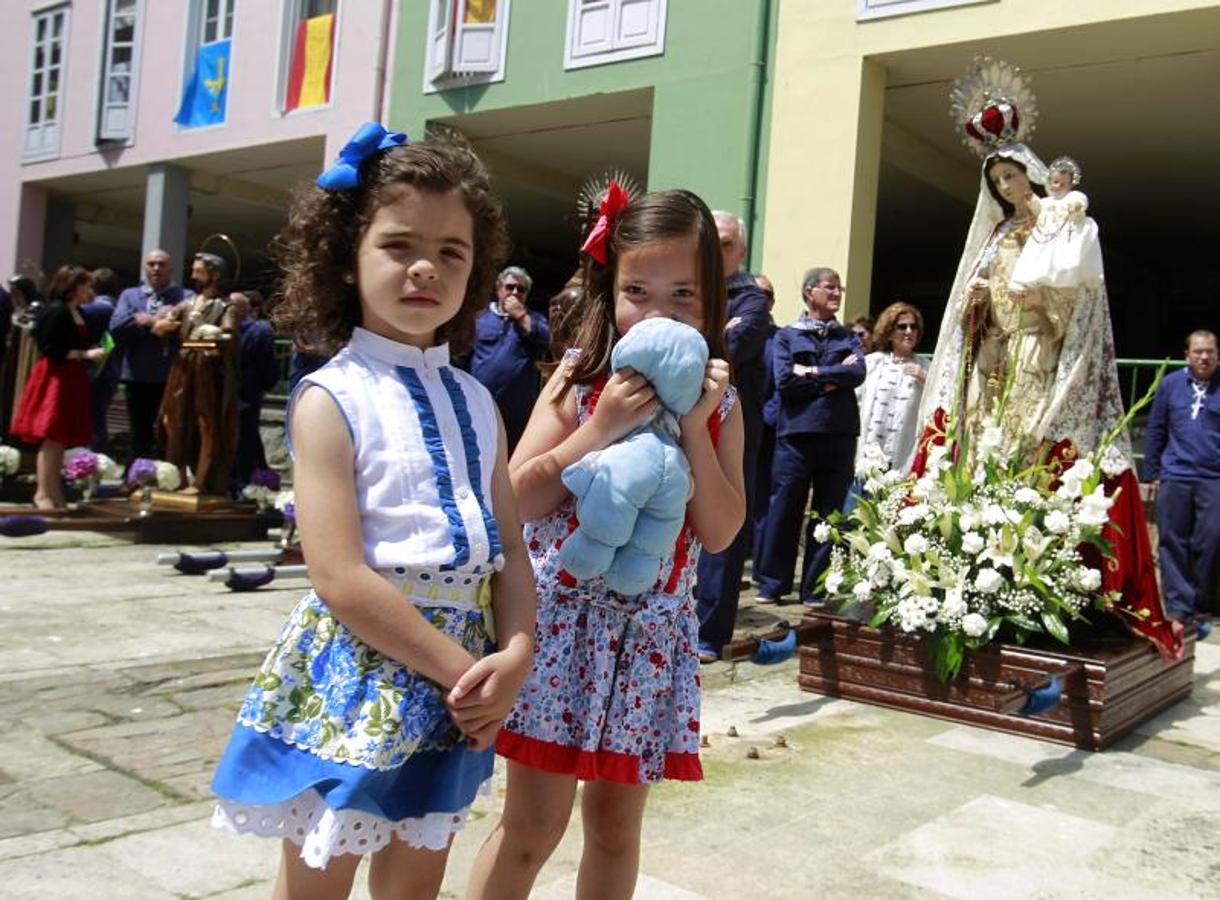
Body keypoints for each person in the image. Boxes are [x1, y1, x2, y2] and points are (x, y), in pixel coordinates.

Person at [210, 127, 535, 898]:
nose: (426, 266)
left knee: (415, 881)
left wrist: (517, 652)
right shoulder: (333, 397)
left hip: (466, 677)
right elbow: (339, 574)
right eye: (398, 245)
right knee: (319, 880)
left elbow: (511, 549)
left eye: (452, 251)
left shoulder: (479, 400)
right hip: (362, 671)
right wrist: (468, 678)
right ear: (346, 258)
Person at [467, 189, 743, 899]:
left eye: (683, 294)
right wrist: (598, 430)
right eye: (638, 293)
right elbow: (517, 498)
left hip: (652, 640)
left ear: (713, 297)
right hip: (561, 631)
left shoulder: (721, 403)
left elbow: (719, 529)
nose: (659, 314)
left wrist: (695, 425)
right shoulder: (580, 377)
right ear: (609, 289)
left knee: (618, 830)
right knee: (532, 826)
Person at [916, 130, 1180, 657]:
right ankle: (984, 560)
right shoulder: (997, 234)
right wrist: (977, 304)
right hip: (995, 361)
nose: (1007, 187)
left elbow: (1079, 309)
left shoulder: (1061, 224)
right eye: (997, 181)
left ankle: (1036, 569)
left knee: (1031, 451)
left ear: (1033, 174)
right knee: (989, 451)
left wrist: (1036, 295)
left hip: (1039, 354)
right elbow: (975, 313)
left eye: (1012, 176)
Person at [755, 267, 864, 605]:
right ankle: (772, 585)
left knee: (829, 513)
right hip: (797, 434)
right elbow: (786, 380)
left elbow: (857, 372)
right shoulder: (788, 335)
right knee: (784, 507)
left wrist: (814, 371)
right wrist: (834, 378)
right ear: (809, 292)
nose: (836, 293)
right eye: (829, 287)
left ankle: (814, 588)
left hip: (840, 434)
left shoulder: (848, 336)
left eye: (839, 288)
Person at [694, 210, 772, 660]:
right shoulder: (688, 290)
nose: (716, 250)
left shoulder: (752, 299)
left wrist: (696, 340)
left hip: (730, 424)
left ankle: (709, 632)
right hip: (682, 418)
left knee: (723, 527)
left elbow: (736, 347)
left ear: (740, 251)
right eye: (709, 240)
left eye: (725, 243)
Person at [8, 266, 105, 508]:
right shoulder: (57, 311)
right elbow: (49, 348)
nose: (89, 291)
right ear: (73, 286)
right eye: (85, 286)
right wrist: (84, 353)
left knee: (60, 439)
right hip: (56, 377)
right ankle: (42, 492)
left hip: (72, 377)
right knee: (52, 436)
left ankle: (55, 492)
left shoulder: (77, 311)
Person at [1144, 330, 1220, 628]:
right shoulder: (1171, 385)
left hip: (1213, 476)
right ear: (1187, 355)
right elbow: (1156, 428)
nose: (1204, 357)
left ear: (1217, 355)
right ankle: (1179, 606)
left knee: (1211, 539)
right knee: (1171, 539)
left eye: (1210, 351)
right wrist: (1150, 471)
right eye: (1198, 351)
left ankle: (1203, 602)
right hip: (1175, 473)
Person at [156, 253, 239, 494]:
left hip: (206, 371)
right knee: (171, 419)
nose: (193, 275)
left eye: (199, 271)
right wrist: (163, 326)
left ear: (215, 275)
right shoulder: (188, 303)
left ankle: (201, 480)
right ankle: (177, 476)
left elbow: (229, 336)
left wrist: (214, 336)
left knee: (206, 423)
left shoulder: (225, 306)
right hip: (182, 368)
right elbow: (163, 325)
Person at [111, 250, 191, 461]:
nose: (156, 268)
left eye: (161, 264)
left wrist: (169, 321)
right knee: (139, 429)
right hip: (137, 374)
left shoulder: (185, 297)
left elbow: (191, 327)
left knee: (170, 428)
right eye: (152, 264)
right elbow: (117, 326)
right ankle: (135, 474)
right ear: (145, 268)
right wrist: (145, 321)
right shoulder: (130, 296)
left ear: (170, 269)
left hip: (172, 374)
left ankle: (167, 472)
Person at [466, 266, 550, 455]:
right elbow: (461, 356)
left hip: (516, 412)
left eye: (521, 289)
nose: (514, 293)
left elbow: (550, 342)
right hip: (479, 404)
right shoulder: (480, 318)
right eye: (510, 287)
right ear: (498, 289)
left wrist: (521, 316)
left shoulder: (535, 319)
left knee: (508, 458)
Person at [855, 301, 928, 474]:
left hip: (903, 457)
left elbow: (941, 400)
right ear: (889, 332)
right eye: (902, 327)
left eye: (913, 327)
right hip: (867, 456)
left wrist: (925, 379)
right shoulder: (873, 363)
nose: (909, 332)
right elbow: (854, 402)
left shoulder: (926, 366)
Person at [228, 289, 281, 492]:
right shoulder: (223, 329)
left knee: (246, 443)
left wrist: (265, 384)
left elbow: (267, 366)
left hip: (245, 396)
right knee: (246, 442)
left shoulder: (258, 331)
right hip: (239, 396)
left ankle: (247, 484)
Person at [82, 268, 120, 451]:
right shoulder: (118, 308)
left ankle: (92, 461)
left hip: (96, 368)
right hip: (112, 369)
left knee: (93, 417)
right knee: (97, 415)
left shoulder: (96, 309)